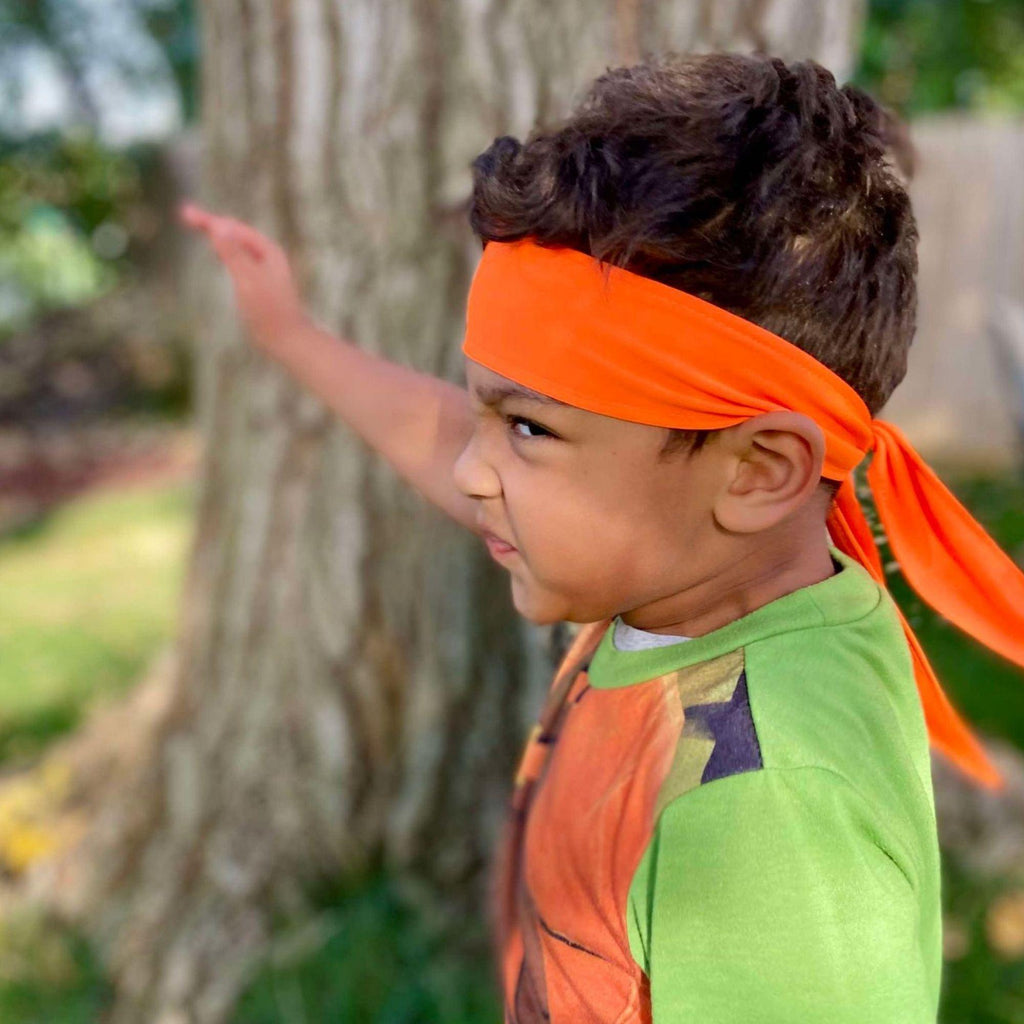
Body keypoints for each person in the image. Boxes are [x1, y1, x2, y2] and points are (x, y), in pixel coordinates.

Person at [179, 51, 1024, 1023]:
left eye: (529, 428)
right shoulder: (695, 567)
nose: (471, 469)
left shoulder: (766, 816)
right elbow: (467, 445)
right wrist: (292, 336)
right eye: (487, 415)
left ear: (756, 470)